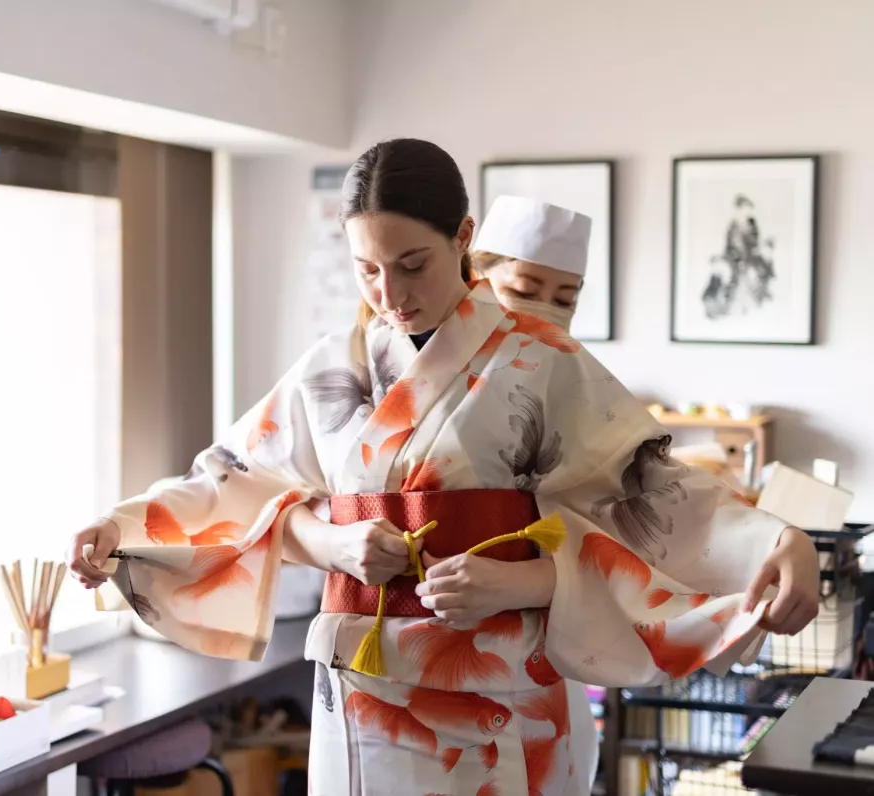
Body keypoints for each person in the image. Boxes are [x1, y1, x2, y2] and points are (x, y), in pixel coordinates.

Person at [67, 139, 819, 796]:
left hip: (497, 684)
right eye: (367, 270)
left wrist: (774, 541)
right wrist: (123, 525)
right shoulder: (334, 366)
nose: (389, 296)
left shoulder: (541, 360)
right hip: (359, 688)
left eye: (412, 265)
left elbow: (651, 488)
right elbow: (232, 476)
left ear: (463, 238)